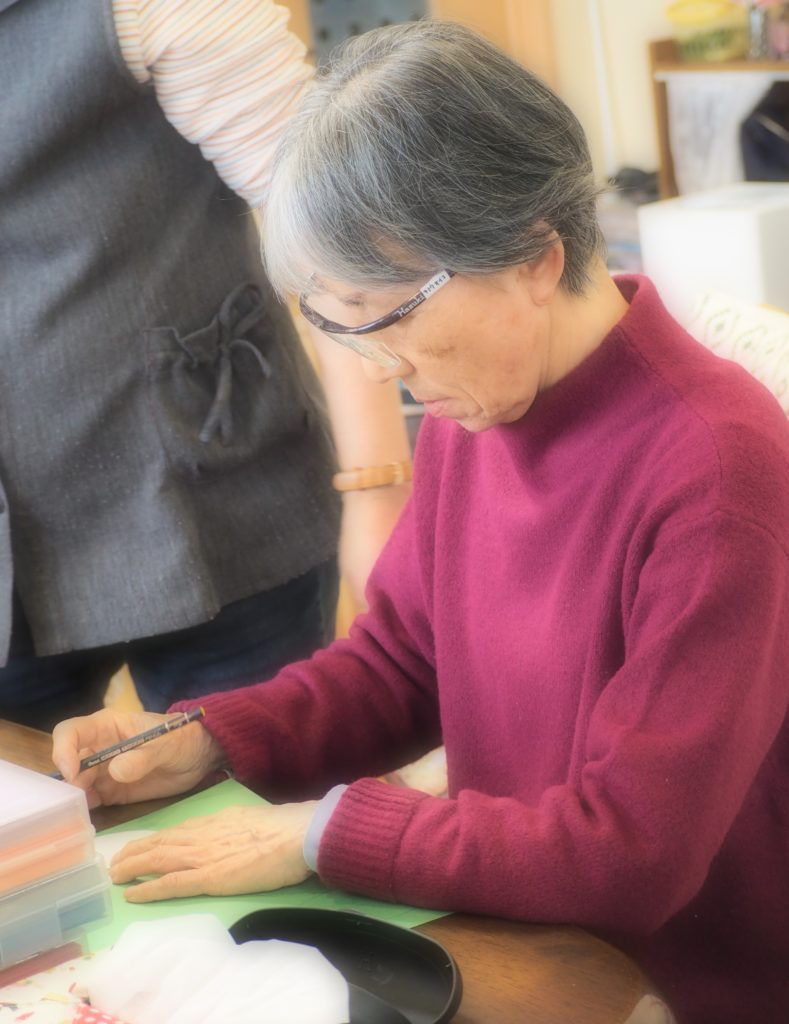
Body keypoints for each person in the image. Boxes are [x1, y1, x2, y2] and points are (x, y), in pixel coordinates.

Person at [52, 20, 789, 1024]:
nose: (379, 368)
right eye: (340, 323)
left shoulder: (717, 469)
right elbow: (400, 664)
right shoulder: (476, 412)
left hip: (664, 986)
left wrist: (326, 834)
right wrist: (211, 738)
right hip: (507, 940)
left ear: (534, 259)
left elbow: (632, 849)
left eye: (385, 314)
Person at [0, 0, 412, 730]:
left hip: (222, 506)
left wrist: (377, 492)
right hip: (12, 574)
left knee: (253, 784)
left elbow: (331, 229)